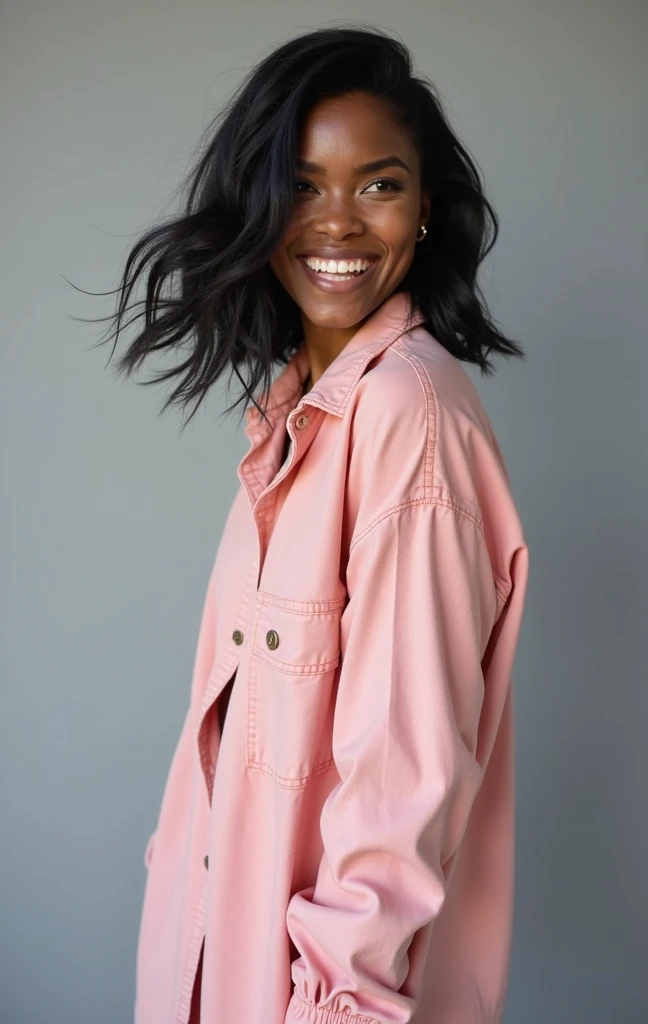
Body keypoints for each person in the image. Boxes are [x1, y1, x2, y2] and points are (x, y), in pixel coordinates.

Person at [87, 24, 530, 1024]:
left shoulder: (406, 415)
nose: (338, 223)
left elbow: (401, 788)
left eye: (378, 184)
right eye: (301, 184)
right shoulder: (298, 414)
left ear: (424, 211)